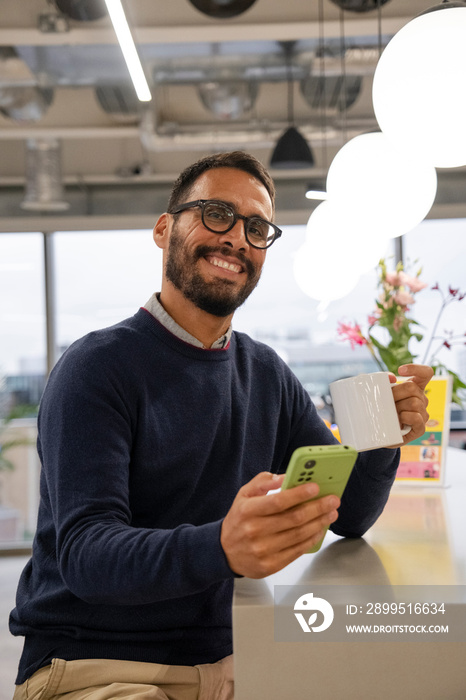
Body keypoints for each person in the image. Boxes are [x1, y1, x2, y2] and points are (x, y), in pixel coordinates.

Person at [9, 151, 432, 700]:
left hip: (231, 664)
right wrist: (222, 548)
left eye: (257, 227)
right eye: (216, 213)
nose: (236, 238)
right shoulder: (95, 368)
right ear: (165, 230)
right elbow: (88, 555)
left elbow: (348, 517)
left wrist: (382, 432)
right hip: (96, 665)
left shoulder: (266, 373)